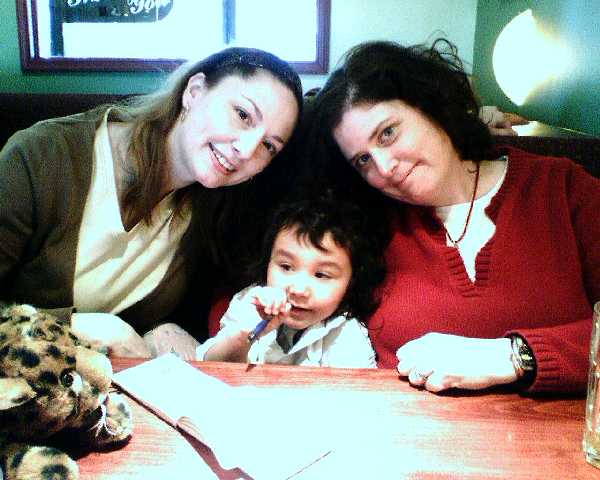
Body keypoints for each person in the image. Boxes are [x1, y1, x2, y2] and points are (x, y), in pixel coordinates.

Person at [305, 38, 600, 394]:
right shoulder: (365, 224)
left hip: (563, 429)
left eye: (387, 133)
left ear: (430, 105)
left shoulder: (562, 189)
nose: (383, 168)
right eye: (363, 160)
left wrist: (513, 356)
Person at [0, 47, 303, 359]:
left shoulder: (216, 205)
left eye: (269, 145)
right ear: (194, 91)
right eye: (242, 115)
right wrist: (85, 328)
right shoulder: (41, 155)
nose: (247, 149)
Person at [196, 193, 385, 367]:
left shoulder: (346, 333)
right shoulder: (251, 302)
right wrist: (243, 335)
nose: (298, 289)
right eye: (286, 267)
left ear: (350, 283)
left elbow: (359, 390)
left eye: (321, 275)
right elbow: (210, 366)